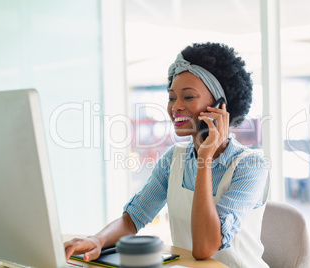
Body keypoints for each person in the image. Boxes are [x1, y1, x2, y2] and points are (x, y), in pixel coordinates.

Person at [64, 42, 269, 267]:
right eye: (172, 97)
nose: (175, 107)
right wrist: (96, 240)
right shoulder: (174, 159)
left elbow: (204, 247)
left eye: (188, 97)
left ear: (220, 106)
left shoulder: (250, 166)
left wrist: (205, 158)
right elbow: (134, 218)